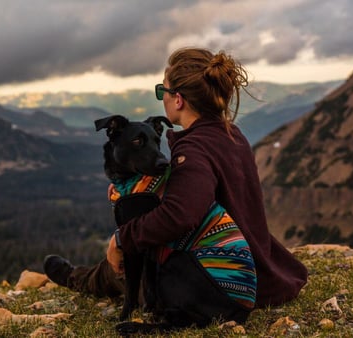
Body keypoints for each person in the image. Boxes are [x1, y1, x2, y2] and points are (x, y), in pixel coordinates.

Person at [44, 47, 307, 328]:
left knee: (120, 266)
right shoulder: (230, 133)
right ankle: (82, 275)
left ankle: (76, 278)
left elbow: (181, 214)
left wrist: (122, 238)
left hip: (215, 277)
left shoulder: (193, 148)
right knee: (130, 252)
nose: (163, 98)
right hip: (256, 263)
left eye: (162, 91)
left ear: (178, 99)